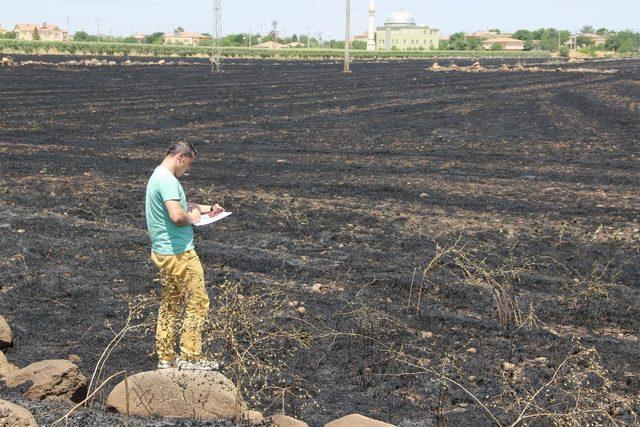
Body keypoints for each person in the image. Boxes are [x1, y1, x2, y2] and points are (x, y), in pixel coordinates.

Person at [145, 140, 224, 370]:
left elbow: (181, 204)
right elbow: (178, 215)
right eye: (188, 165)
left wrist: (208, 208)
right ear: (180, 157)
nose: (187, 170)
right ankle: (190, 357)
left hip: (163, 253)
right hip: (180, 254)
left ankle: (166, 358)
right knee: (198, 302)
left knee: (170, 304)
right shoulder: (168, 181)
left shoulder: (157, 176)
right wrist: (194, 218)